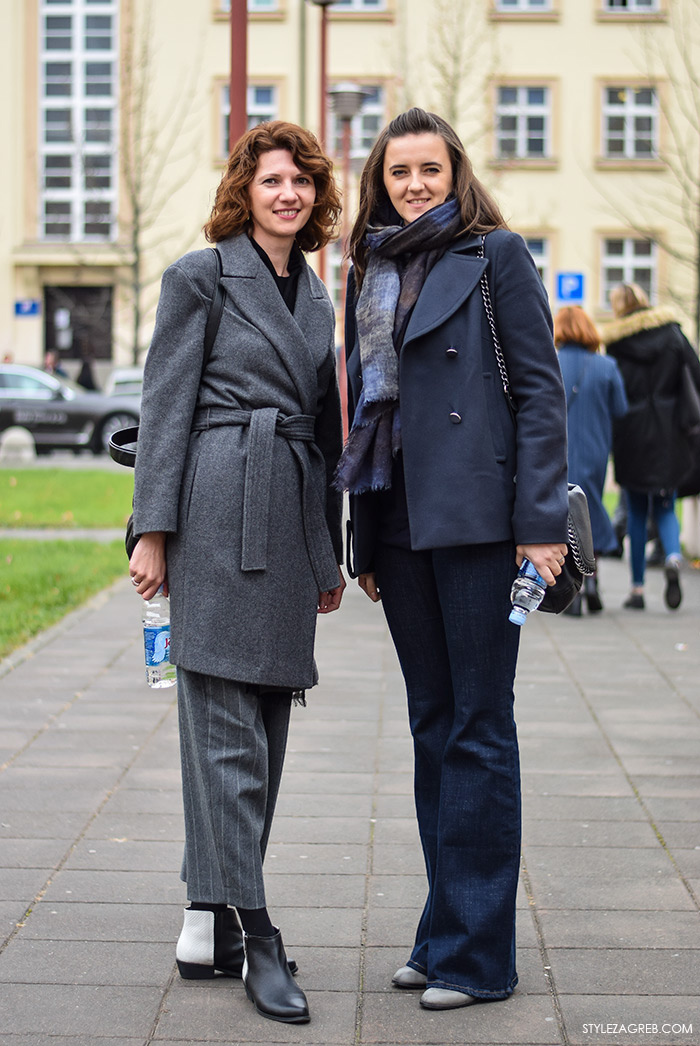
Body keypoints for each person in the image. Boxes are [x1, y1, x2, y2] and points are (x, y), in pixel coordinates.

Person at [336, 108, 568, 1010]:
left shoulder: (494, 255)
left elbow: (541, 393)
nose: (416, 184)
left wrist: (540, 525)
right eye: (400, 173)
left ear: (454, 172)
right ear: (382, 181)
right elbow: (364, 408)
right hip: (397, 520)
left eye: (430, 169)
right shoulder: (371, 265)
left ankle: (479, 957)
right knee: (434, 726)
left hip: (480, 521)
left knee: (479, 725)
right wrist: (362, 534)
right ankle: (442, 935)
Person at [128, 121, 345, 1025]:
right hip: (218, 511)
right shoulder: (201, 276)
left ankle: (206, 915)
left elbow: (326, 440)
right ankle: (256, 930)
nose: (287, 194)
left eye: (300, 180)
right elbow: (164, 406)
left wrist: (328, 551)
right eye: (271, 181)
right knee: (225, 732)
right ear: (243, 191)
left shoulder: (320, 300)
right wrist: (151, 531)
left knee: (262, 727)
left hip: (290, 518)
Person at [601, 282, 700, 611]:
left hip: (631, 431)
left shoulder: (616, 345)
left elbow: (613, 392)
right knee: (666, 504)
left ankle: (638, 590)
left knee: (637, 510)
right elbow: (696, 375)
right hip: (671, 431)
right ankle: (672, 557)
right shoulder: (673, 334)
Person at [554, 306, 628, 615]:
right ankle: (591, 578)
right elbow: (621, 409)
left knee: (559, 508)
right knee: (590, 506)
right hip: (595, 447)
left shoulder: (550, 362)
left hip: (556, 448)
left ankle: (569, 584)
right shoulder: (607, 366)